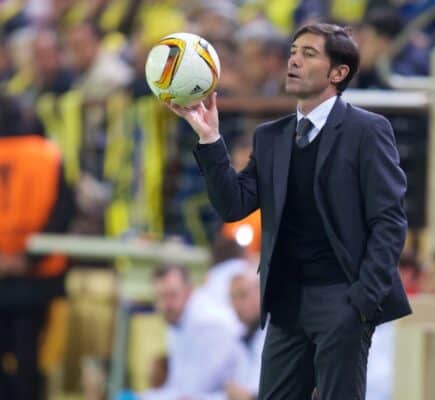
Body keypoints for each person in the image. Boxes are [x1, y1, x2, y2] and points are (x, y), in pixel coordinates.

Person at [167, 22, 410, 400]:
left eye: (308, 54)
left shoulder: (368, 130)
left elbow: (389, 221)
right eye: (293, 52)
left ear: (338, 72)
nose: (293, 60)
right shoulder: (270, 137)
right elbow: (233, 205)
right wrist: (210, 137)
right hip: (286, 302)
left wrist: (362, 301)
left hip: (342, 299)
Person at [0, 93, 74, 400]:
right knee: (29, 357)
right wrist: (28, 257)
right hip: (37, 278)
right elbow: (63, 211)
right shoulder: (48, 154)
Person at [138, 265, 242, 400]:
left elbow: (194, 390)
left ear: (189, 290)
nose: (165, 305)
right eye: (160, 297)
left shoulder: (207, 322)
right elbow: (179, 386)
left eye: (172, 295)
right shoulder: (177, 318)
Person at [224, 270, 266, 400]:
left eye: (242, 295)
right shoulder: (240, 337)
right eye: (232, 297)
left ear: (261, 293)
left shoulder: (278, 335)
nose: (237, 304)